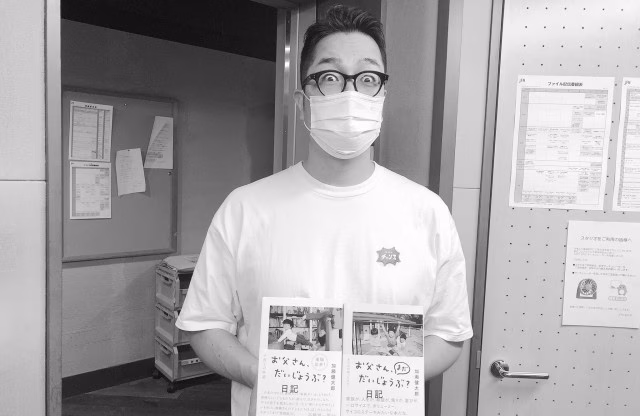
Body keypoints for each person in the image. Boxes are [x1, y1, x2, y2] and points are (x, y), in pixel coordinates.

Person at [176, 5, 473, 415]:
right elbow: (204, 324)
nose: (351, 93)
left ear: (381, 98)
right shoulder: (245, 209)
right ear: (303, 103)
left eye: (368, 78)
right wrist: (266, 376)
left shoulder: (427, 212)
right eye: (330, 77)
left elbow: (450, 332)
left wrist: (386, 380)